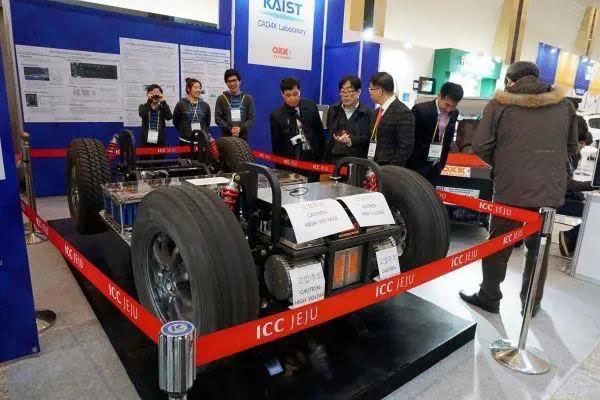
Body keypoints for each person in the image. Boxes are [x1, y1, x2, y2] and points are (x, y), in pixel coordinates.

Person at [459, 61, 579, 317]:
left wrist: (503, 164)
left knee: (498, 244)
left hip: (510, 189)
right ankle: (532, 303)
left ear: (510, 81)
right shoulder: (564, 105)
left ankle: (489, 296)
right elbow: (571, 147)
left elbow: (480, 147)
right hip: (549, 189)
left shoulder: (500, 103)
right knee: (539, 247)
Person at [407, 82, 464, 180]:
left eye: (453, 106)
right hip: (417, 166)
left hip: (436, 165)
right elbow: (410, 139)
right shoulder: (421, 110)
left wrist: (442, 164)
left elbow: (447, 139)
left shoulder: (454, 113)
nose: (449, 109)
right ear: (439, 96)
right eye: (447, 104)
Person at [269, 77, 325, 169]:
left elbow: (320, 134)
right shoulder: (276, 115)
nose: (292, 98)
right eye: (288, 95)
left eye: (295, 94)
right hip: (291, 164)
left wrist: (322, 160)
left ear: (300, 91)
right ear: (282, 94)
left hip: (312, 161)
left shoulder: (310, 106)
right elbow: (277, 146)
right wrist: (281, 169)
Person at [558, 117, 595, 256]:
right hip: (552, 199)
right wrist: (592, 185)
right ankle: (569, 238)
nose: (583, 146)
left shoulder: (573, 155)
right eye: (581, 143)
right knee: (592, 212)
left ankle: (572, 239)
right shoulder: (560, 155)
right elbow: (566, 183)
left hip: (561, 195)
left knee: (589, 206)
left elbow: (567, 182)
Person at [367, 72, 415, 166]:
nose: (369, 92)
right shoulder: (376, 112)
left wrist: (390, 170)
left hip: (389, 169)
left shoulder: (404, 113)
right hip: (372, 165)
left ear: (379, 91)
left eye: (371, 89)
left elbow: (405, 148)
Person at [324, 75, 374, 164]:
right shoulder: (333, 109)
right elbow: (330, 131)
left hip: (356, 160)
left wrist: (350, 141)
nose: (346, 95)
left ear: (358, 92)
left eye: (349, 91)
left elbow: (368, 138)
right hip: (334, 159)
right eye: (343, 91)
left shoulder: (368, 113)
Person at [214, 69, 255, 142]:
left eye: (234, 80)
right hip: (226, 138)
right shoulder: (221, 98)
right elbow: (218, 119)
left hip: (243, 138)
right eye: (229, 81)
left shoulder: (248, 98)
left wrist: (240, 128)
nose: (232, 84)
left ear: (239, 81)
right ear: (226, 83)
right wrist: (230, 128)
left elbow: (251, 119)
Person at [173, 78, 211, 154]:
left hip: (201, 141)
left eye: (199, 88)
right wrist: (184, 132)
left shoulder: (205, 105)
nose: (198, 90)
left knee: (201, 161)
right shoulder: (181, 104)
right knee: (187, 161)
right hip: (185, 141)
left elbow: (207, 122)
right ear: (188, 89)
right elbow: (175, 121)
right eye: (195, 87)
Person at [138, 84, 173, 160]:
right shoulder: (143, 106)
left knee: (159, 163)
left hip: (159, 141)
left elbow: (169, 117)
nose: (155, 94)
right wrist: (150, 101)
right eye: (152, 92)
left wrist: (163, 102)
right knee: (145, 163)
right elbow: (143, 115)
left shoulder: (163, 107)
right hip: (146, 141)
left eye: (157, 92)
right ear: (148, 94)